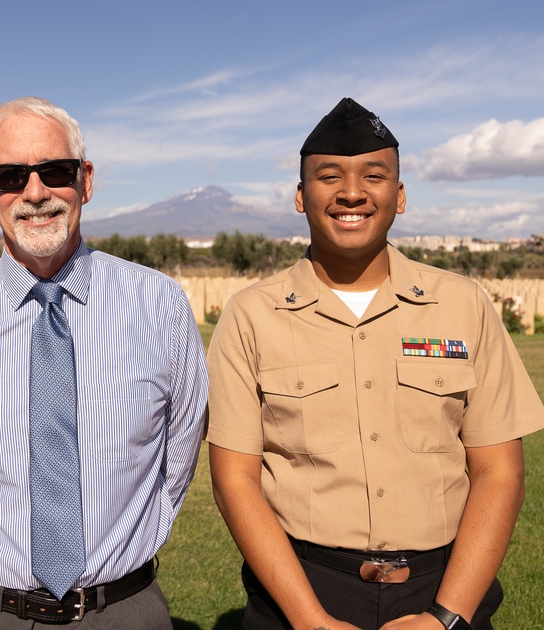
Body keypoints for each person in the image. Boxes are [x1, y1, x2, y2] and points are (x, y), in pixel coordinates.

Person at [206, 98, 544, 630]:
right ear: (300, 196)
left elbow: (499, 471)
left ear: (400, 195)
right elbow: (234, 479)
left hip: (444, 583)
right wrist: (310, 620)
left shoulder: (463, 306)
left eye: (374, 175)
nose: (352, 192)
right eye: (328, 175)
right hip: (300, 587)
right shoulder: (252, 316)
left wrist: (446, 618)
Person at [0, 97, 208, 628]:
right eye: (12, 175)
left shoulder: (160, 305)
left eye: (55, 171)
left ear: (85, 179)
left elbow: (178, 451)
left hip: (121, 608)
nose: (35, 192)